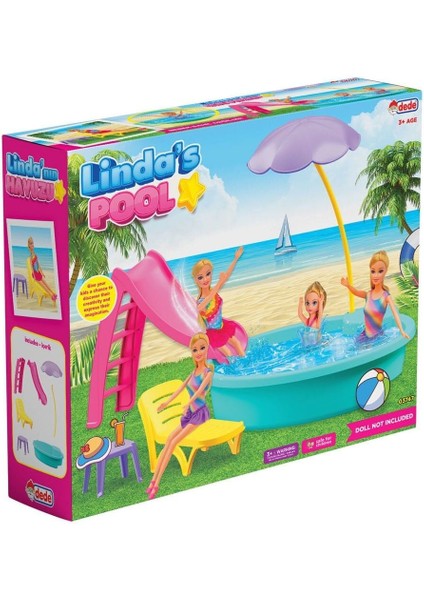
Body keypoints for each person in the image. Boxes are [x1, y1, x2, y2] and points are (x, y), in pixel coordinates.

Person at [146, 333, 213, 500]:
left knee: (174, 442)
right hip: (189, 413)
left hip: (199, 413)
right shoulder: (193, 372)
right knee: (169, 439)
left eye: (202, 348)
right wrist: (166, 402)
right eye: (195, 350)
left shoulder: (208, 372)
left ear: (207, 348)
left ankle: (157, 484)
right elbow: (181, 388)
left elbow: (199, 392)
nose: (198, 352)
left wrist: (188, 402)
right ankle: (153, 481)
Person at [341, 250, 409, 340]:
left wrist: (401, 330)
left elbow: (395, 314)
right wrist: (348, 286)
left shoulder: (386, 296)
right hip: (364, 336)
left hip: (377, 338)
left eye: (380, 271)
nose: (376, 275)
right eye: (373, 271)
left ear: (385, 271)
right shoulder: (368, 294)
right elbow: (356, 292)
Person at [192, 247, 245, 357]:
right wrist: (219, 282)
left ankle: (247, 363)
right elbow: (207, 300)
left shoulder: (213, 291)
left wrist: (235, 258)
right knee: (228, 353)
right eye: (200, 277)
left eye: (208, 274)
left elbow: (227, 275)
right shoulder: (200, 302)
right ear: (195, 280)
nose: (205, 279)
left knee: (237, 344)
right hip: (213, 334)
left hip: (222, 327)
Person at [27, 237, 57, 303]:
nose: (32, 245)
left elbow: (38, 265)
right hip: (35, 274)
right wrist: (34, 276)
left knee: (46, 284)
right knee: (44, 286)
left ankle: (53, 293)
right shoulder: (30, 257)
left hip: (38, 273)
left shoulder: (35, 254)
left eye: (33, 243)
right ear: (29, 246)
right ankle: (52, 296)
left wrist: (42, 272)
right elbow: (32, 267)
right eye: (31, 243)